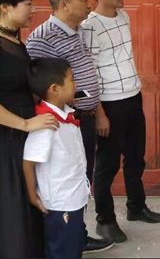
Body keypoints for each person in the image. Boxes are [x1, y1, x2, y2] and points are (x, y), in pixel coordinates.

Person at [25, 0, 112, 254]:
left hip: (83, 119)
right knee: (64, 183)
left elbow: (86, 75)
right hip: (61, 124)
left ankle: (78, 234)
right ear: (64, 4)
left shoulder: (78, 30)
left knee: (81, 177)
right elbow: (39, 87)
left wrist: (98, 111)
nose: (90, 4)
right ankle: (65, 237)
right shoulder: (42, 38)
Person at [81, 0, 160, 244]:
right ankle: (105, 221)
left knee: (136, 157)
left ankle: (136, 207)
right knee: (106, 165)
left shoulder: (123, 16)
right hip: (109, 103)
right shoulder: (89, 27)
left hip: (132, 96)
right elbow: (89, 71)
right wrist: (99, 114)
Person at [23, 58, 114, 258]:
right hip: (60, 203)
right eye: (72, 79)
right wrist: (32, 195)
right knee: (62, 251)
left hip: (73, 196)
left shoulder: (64, 112)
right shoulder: (46, 125)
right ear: (55, 89)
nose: (76, 84)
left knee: (73, 247)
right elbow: (28, 161)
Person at [0, 0, 59, 258]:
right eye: (27, 3)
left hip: (25, 135)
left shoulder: (14, 40)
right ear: (5, 7)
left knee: (30, 201)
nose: (34, 10)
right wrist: (24, 123)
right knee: (13, 210)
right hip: (8, 138)